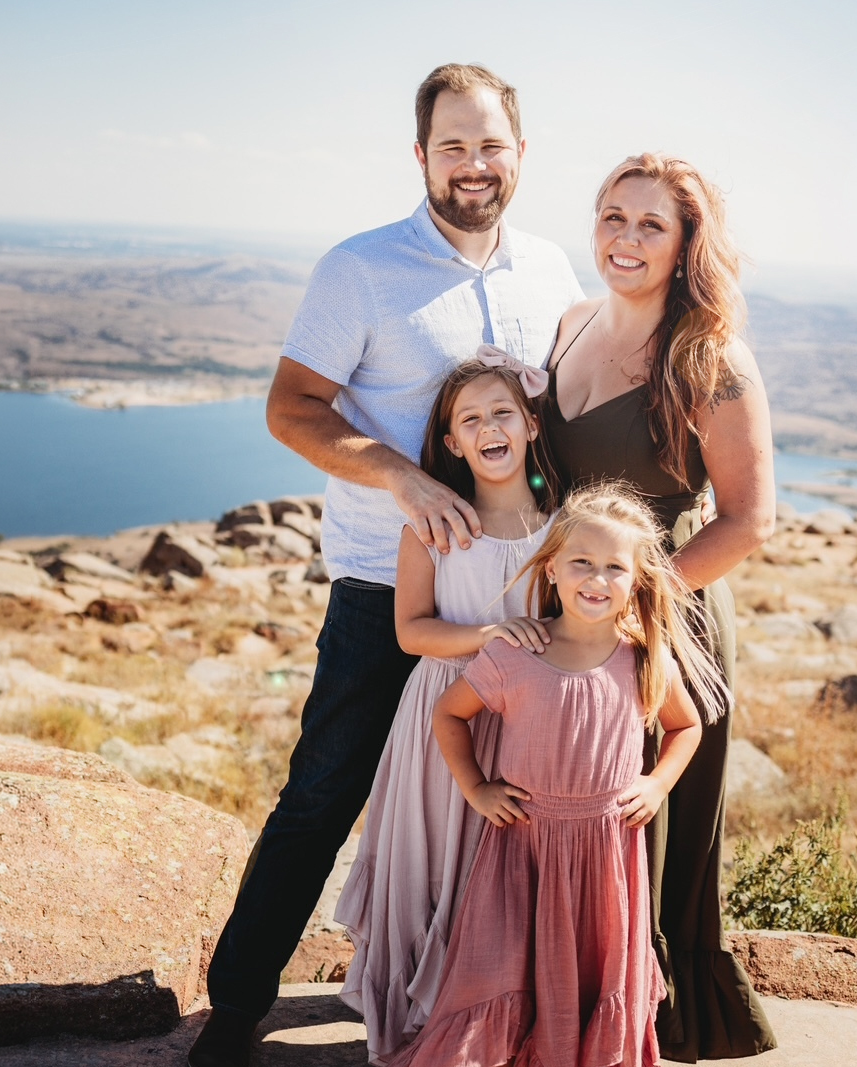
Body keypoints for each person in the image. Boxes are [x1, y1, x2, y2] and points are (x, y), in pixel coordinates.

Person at [188, 64, 583, 1067]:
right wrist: (405, 479)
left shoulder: (551, 272)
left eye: (490, 144)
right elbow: (292, 409)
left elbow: (568, 427)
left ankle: (476, 1003)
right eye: (451, 145)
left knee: (505, 805)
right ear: (420, 157)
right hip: (383, 587)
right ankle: (235, 1011)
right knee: (323, 792)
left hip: (513, 596)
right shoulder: (360, 269)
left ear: (521, 154)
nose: (473, 164)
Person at [542, 153, 779, 1060]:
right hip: (576, 618)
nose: (625, 238)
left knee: (648, 829)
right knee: (573, 816)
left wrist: (640, 604)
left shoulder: (709, 355)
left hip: (665, 623)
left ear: (685, 246)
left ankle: (649, 1021)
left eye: (651, 225)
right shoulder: (569, 324)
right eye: (613, 216)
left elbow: (750, 519)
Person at [390, 484, 724, 1067]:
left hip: (606, 854)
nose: (596, 579)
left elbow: (686, 727)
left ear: (638, 580)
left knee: (596, 972)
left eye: (614, 568)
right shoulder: (518, 652)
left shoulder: (644, 656)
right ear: (552, 566)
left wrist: (657, 783)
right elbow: (449, 713)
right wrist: (476, 787)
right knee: (505, 967)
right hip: (523, 847)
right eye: (582, 563)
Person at [333, 353, 560, 1065]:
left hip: (519, 721)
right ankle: (412, 1013)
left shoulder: (560, 527)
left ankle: (486, 1015)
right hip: (440, 714)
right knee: (432, 863)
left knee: (496, 866)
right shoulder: (433, 527)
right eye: (470, 420)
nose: (488, 427)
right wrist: (487, 636)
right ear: (452, 442)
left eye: (501, 413)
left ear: (529, 424)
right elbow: (412, 630)